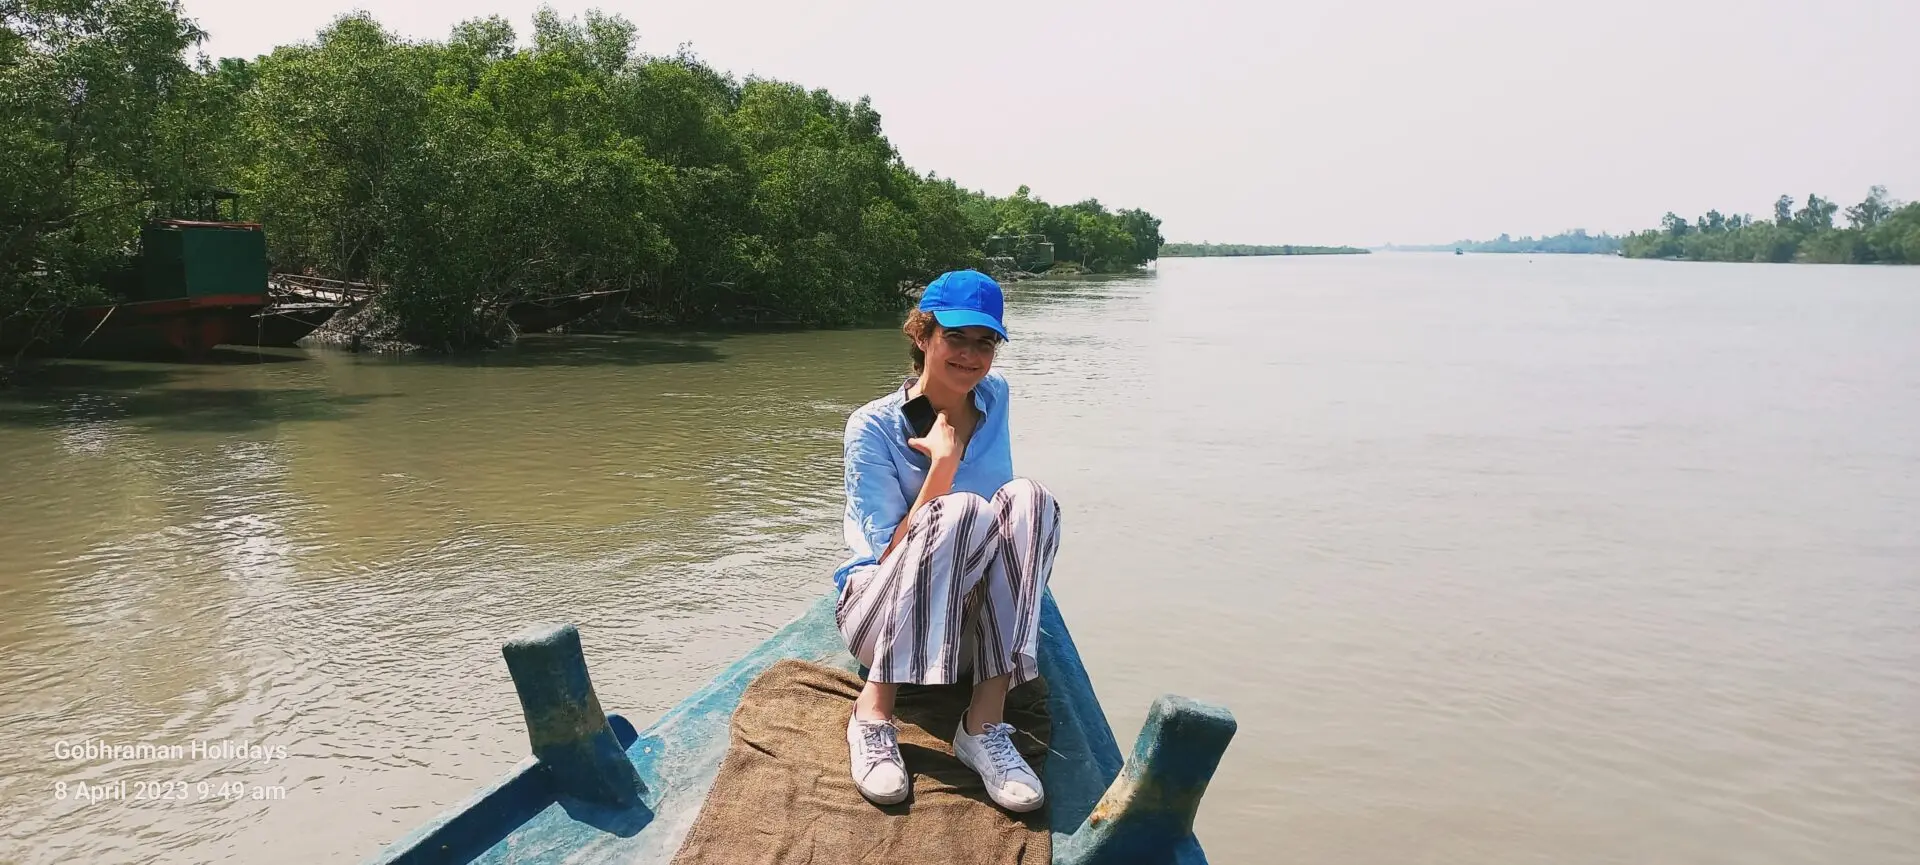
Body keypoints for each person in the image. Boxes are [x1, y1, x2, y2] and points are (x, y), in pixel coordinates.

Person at [833, 269, 1062, 812]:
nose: (970, 356)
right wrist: (943, 465)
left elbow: (1010, 524)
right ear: (921, 334)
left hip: (968, 630)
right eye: (955, 337)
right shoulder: (873, 427)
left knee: (1031, 498)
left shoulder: (995, 396)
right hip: (882, 618)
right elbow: (887, 554)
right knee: (960, 510)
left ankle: (983, 724)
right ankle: (873, 713)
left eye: (985, 342)